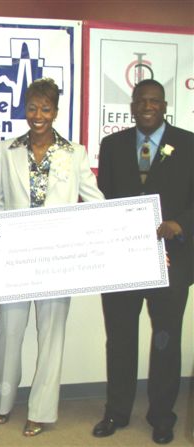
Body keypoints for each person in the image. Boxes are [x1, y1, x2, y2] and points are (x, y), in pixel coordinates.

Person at [0, 78, 104, 437]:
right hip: (15, 260)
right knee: (8, 332)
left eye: (46, 108)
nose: (38, 115)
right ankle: (5, 400)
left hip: (57, 261)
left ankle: (40, 410)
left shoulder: (74, 152)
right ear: (25, 108)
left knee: (52, 336)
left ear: (55, 111)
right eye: (32, 107)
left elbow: (94, 202)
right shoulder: (7, 150)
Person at [92, 79, 193, 445]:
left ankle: (162, 416)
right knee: (119, 338)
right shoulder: (113, 145)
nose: (147, 106)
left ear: (164, 105)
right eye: (141, 101)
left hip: (172, 259)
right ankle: (117, 411)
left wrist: (181, 224)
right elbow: (104, 199)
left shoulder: (189, 143)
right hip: (123, 258)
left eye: (154, 101)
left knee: (165, 339)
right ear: (132, 106)